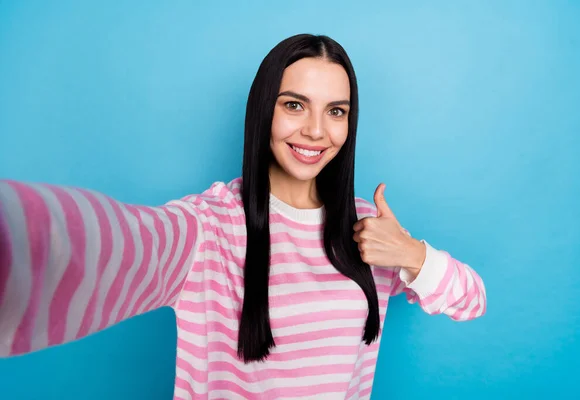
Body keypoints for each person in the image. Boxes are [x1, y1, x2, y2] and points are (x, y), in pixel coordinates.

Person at [0, 34, 486, 399]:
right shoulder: (209, 227)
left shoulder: (366, 231)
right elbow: (107, 244)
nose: (316, 131)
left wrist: (411, 255)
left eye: (336, 111)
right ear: (264, 111)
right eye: (295, 105)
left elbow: (472, 300)